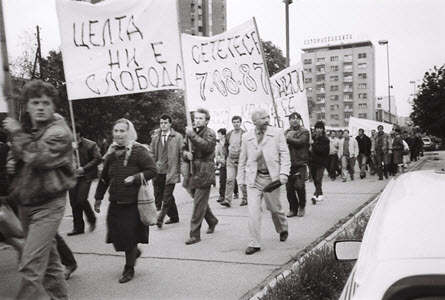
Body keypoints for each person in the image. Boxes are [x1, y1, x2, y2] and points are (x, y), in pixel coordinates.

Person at [3, 80, 76, 299]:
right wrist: (12, 162)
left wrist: (16, 134)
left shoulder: (59, 132)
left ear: (53, 106)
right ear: (27, 106)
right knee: (51, 267)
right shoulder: (30, 129)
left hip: (49, 205)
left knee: (30, 265)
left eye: (46, 102)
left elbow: (38, 156)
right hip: (26, 204)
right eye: (35, 102)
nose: (41, 107)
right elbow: (20, 155)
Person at [94, 118, 157, 283]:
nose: (118, 134)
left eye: (122, 131)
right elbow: (104, 178)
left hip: (133, 203)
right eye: (116, 131)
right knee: (116, 235)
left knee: (129, 236)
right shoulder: (111, 153)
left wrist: (135, 177)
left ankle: (129, 268)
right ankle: (133, 253)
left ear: (129, 132)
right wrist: (98, 198)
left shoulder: (139, 151)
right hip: (116, 201)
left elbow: (152, 170)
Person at [237, 108, 290, 255]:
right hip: (254, 179)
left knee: (274, 208)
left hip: (271, 179)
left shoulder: (277, 133)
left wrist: (284, 173)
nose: (267, 120)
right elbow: (242, 159)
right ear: (255, 122)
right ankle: (254, 243)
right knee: (253, 212)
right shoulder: (246, 137)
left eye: (268, 117)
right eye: (263, 118)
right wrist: (240, 180)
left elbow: (285, 154)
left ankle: (282, 227)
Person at [182, 108, 219, 245]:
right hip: (193, 171)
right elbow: (183, 149)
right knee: (199, 201)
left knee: (198, 204)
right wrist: (186, 155)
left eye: (200, 118)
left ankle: (194, 234)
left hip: (205, 171)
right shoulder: (190, 132)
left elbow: (207, 147)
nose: (197, 120)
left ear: (207, 120)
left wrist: (192, 135)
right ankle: (212, 220)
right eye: (196, 118)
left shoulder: (210, 133)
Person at [67, 123, 101, 236]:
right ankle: (78, 227)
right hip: (72, 176)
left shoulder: (90, 145)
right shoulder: (67, 145)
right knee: (73, 202)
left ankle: (92, 219)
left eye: (71, 132)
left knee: (81, 199)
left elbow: (97, 159)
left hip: (86, 176)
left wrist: (84, 168)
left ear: (78, 133)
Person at [150, 114, 183, 228]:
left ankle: (160, 218)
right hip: (159, 171)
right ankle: (174, 217)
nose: (163, 125)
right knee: (167, 195)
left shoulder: (177, 137)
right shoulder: (155, 138)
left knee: (166, 196)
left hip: (172, 171)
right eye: (161, 123)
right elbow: (152, 154)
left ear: (170, 124)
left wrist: (183, 171)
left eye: (165, 123)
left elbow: (181, 155)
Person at [284, 112, 309, 218]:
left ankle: (302, 206)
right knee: (289, 188)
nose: (295, 120)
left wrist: (288, 139)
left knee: (299, 186)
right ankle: (293, 209)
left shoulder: (304, 131)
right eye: (292, 119)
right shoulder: (286, 132)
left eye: (297, 118)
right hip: (288, 163)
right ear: (289, 120)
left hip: (300, 163)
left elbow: (300, 142)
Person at [220, 116, 247, 207]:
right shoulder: (229, 134)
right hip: (230, 159)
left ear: (240, 123)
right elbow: (225, 146)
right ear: (232, 123)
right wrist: (224, 156)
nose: (236, 124)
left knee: (241, 180)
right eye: (234, 122)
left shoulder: (244, 134)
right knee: (230, 179)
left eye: (238, 122)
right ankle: (227, 200)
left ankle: (245, 198)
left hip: (241, 160)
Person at [309, 121, 330, 203]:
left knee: (318, 179)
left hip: (321, 162)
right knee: (315, 179)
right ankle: (320, 194)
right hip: (312, 162)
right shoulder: (313, 137)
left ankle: (315, 195)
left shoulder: (325, 140)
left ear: (323, 129)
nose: (319, 130)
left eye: (320, 128)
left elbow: (322, 150)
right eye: (317, 128)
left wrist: (313, 145)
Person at [215, 128, 227, 203]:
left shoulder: (227, 143)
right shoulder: (218, 144)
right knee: (222, 180)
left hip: (229, 163)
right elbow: (217, 154)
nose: (218, 136)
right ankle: (222, 195)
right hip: (222, 164)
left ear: (223, 135)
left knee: (230, 180)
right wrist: (220, 159)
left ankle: (235, 191)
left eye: (219, 134)